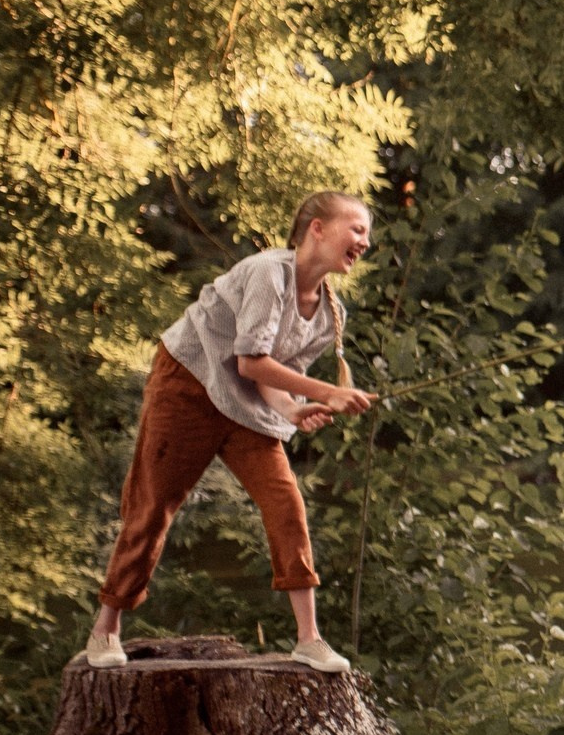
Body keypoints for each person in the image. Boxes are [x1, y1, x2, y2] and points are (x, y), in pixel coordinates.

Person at [83, 191, 380, 674]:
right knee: (153, 505)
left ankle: (309, 639)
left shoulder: (330, 315)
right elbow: (250, 360)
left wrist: (298, 408)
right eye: (357, 229)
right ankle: (106, 627)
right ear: (317, 229)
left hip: (244, 404)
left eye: (368, 233)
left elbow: (269, 380)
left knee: (287, 505)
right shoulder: (268, 273)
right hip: (189, 383)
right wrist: (327, 392)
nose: (365, 242)